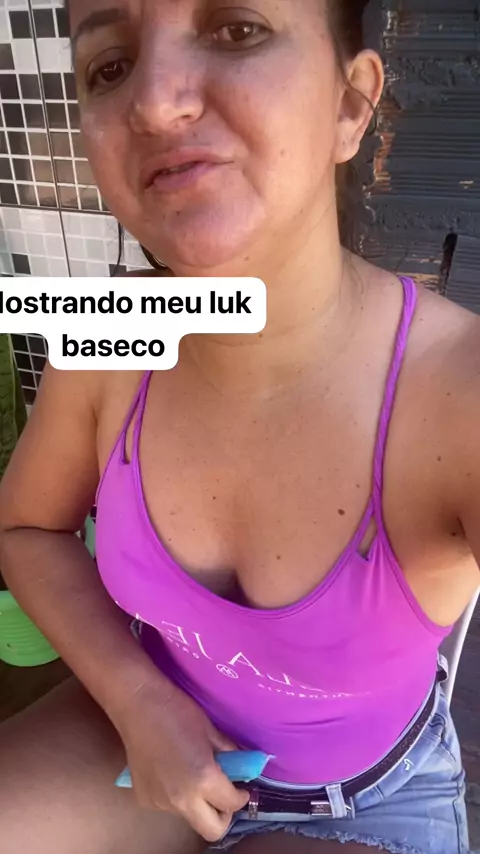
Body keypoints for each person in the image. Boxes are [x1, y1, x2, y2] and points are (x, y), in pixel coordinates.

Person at [0, 1, 478, 852]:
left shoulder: (454, 393)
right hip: (148, 740)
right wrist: (137, 699)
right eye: (109, 66)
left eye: (236, 30)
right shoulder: (113, 332)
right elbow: (27, 528)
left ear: (349, 105)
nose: (154, 103)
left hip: (365, 803)